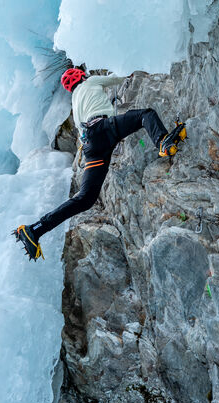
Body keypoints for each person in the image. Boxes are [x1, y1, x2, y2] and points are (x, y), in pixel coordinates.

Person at [12, 67, 185, 260]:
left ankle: (35, 230)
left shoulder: (76, 104)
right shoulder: (90, 82)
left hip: (91, 147)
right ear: (81, 76)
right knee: (145, 114)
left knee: (85, 198)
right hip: (104, 128)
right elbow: (118, 77)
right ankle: (162, 142)